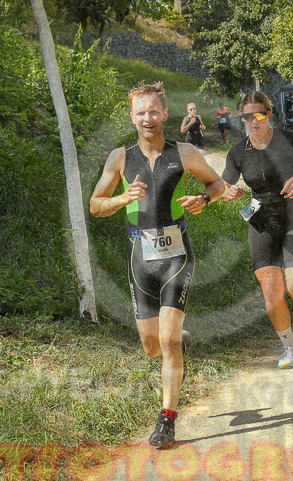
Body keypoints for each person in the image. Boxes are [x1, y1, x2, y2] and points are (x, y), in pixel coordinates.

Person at [89, 83, 225, 448]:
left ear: (165, 114)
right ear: (132, 117)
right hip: (140, 256)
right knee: (152, 345)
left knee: (165, 339)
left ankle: (167, 420)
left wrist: (203, 199)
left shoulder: (185, 152)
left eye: (153, 111)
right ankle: (178, 341)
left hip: (177, 254)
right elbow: (95, 205)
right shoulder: (120, 158)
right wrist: (121, 198)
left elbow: (218, 184)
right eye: (140, 112)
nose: (147, 118)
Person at [220, 91, 293, 369]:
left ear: (269, 114)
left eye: (258, 115)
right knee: (271, 291)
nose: (252, 121)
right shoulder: (238, 152)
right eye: (246, 117)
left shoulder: (287, 140)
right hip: (260, 220)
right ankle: (290, 349)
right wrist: (228, 192)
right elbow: (223, 185)